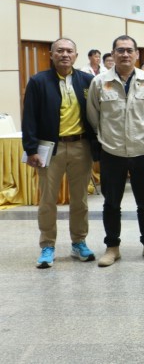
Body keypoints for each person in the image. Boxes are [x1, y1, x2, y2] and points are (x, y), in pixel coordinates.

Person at [87, 35, 144, 267]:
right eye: (120, 50)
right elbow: (93, 114)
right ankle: (112, 247)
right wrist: (105, 136)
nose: (125, 54)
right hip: (112, 152)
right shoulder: (99, 82)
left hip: (141, 150)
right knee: (111, 203)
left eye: (130, 50)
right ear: (113, 54)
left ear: (137, 54)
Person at [22, 38, 97, 269]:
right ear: (51, 54)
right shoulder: (38, 81)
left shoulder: (87, 81)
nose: (65, 54)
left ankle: (79, 242)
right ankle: (47, 245)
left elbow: (97, 114)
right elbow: (29, 117)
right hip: (49, 148)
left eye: (69, 51)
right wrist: (31, 149)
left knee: (80, 199)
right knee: (47, 200)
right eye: (60, 51)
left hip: (80, 146)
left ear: (76, 55)